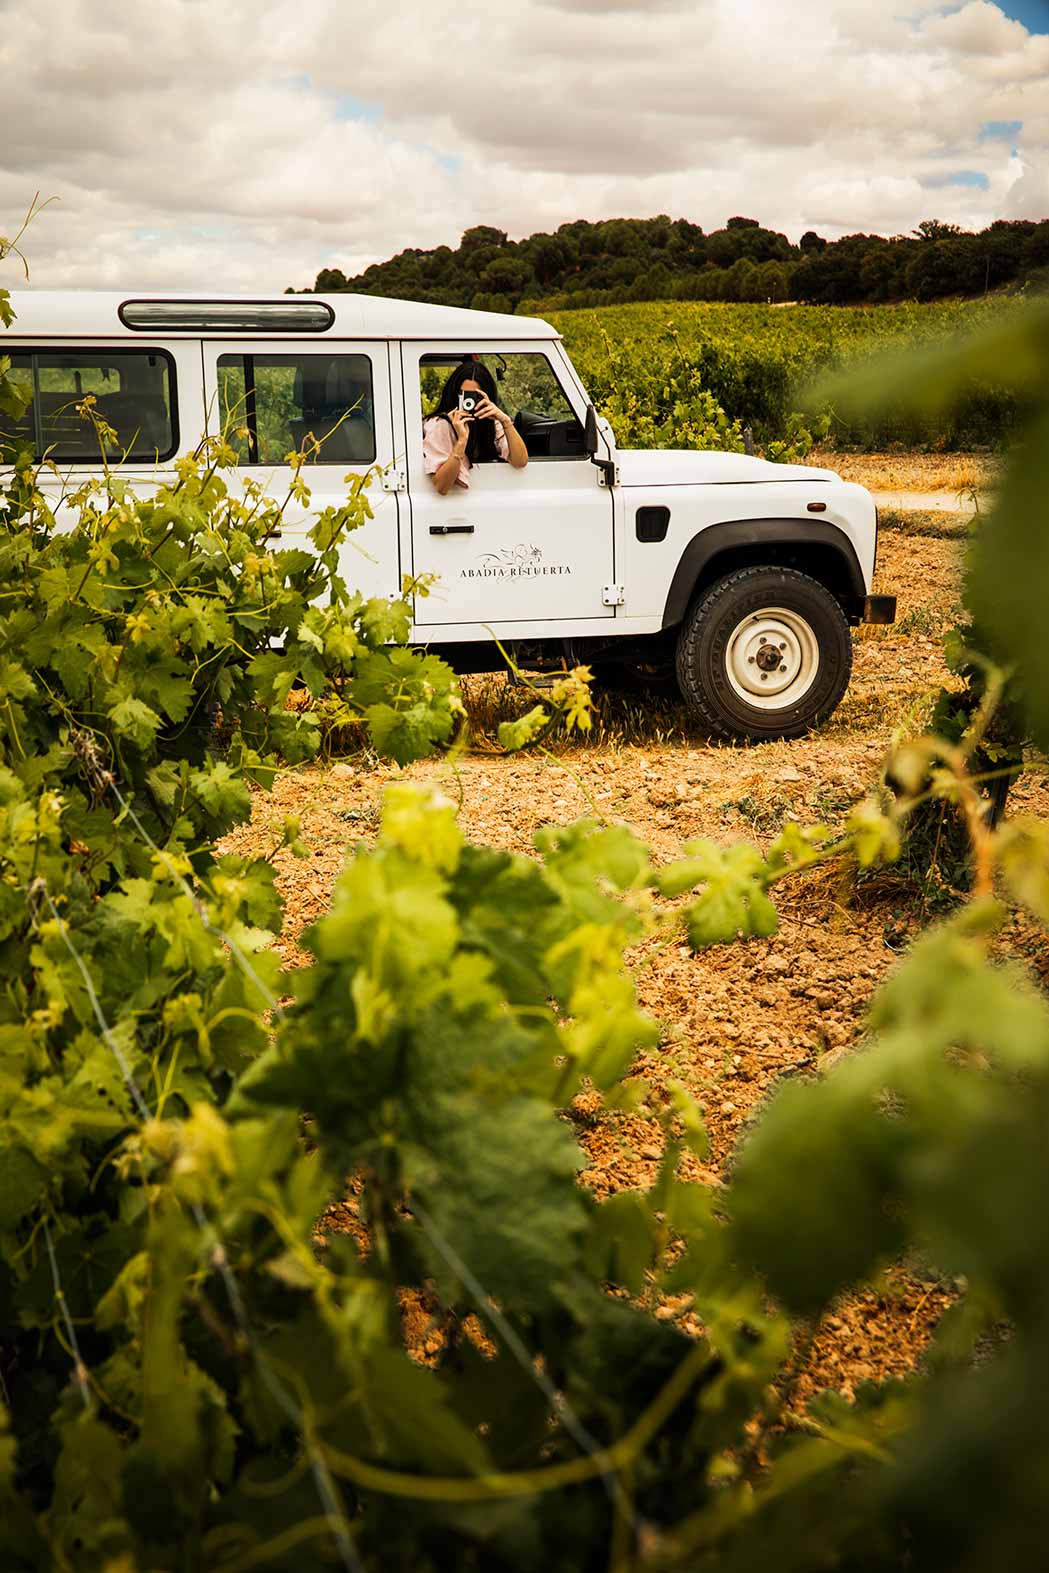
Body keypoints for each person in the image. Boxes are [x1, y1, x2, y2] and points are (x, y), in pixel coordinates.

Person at [423, 360, 528, 494]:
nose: (469, 402)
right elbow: (442, 487)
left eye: (474, 396)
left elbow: (520, 461)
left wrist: (505, 421)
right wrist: (461, 441)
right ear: (454, 394)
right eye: (464, 395)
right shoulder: (441, 424)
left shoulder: (490, 421)